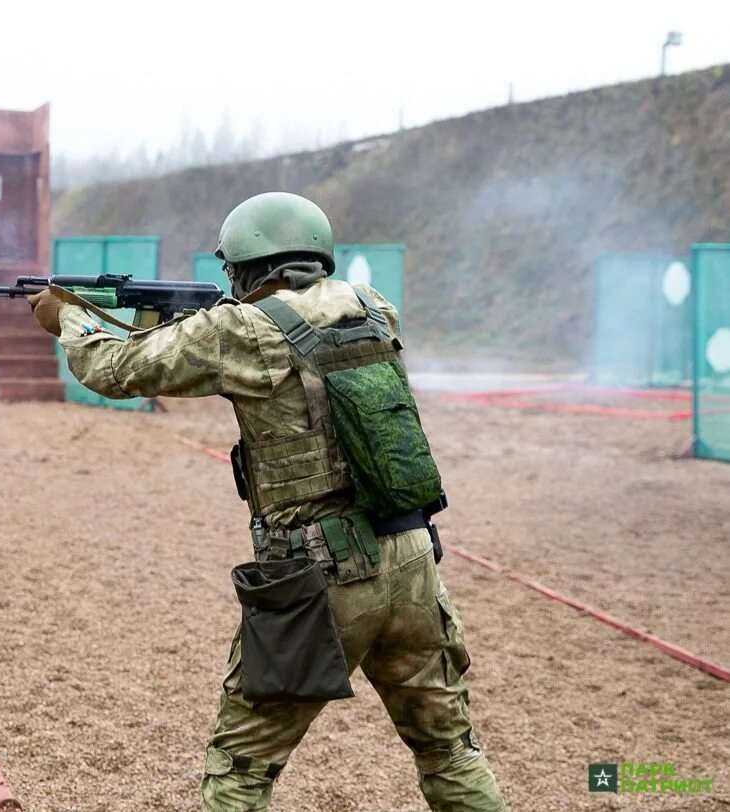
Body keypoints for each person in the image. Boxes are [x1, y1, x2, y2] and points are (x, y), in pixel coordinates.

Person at [27, 192, 505, 811]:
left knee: (242, 767)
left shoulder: (239, 329)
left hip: (321, 571)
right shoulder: (375, 306)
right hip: (413, 557)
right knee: (449, 752)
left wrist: (71, 319)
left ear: (247, 264)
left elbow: (113, 370)